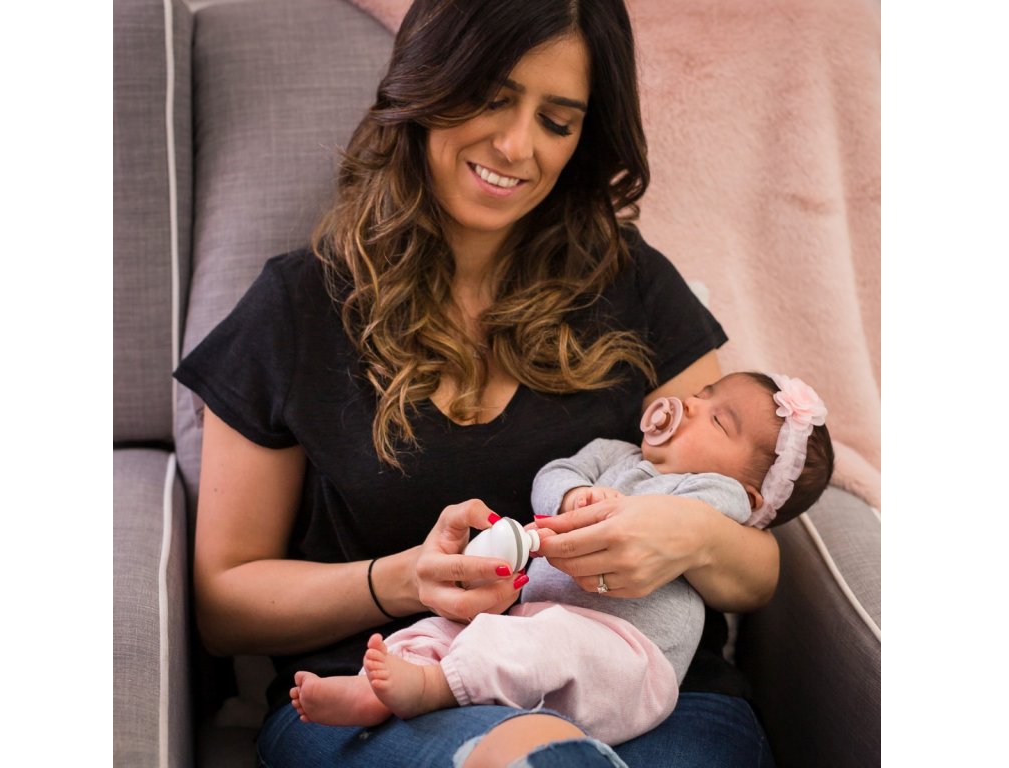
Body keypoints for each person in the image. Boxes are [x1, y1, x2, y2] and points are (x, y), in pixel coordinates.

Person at [173, 0, 784, 765]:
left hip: (651, 694)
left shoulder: (632, 284)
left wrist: (687, 534)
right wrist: (405, 581)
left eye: (556, 122)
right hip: (389, 693)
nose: (517, 146)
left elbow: (756, 567)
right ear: (428, 84)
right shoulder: (297, 308)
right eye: (492, 98)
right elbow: (225, 605)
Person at [286, 372, 833, 746]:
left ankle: (432, 689)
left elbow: (698, 520)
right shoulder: (614, 454)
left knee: (540, 644)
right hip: (539, 620)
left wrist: (639, 514)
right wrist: (572, 496)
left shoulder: (718, 494)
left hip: (626, 658)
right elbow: (554, 474)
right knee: (456, 627)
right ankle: (377, 686)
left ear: (752, 494)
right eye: (703, 392)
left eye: (718, 421)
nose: (690, 404)